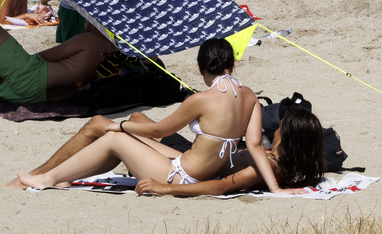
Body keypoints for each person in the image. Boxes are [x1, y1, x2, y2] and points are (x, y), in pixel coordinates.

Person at [14, 39, 279, 192]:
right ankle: (62, 176)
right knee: (120, 127)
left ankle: (45, 179)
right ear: (233, 64)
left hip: (182, 176)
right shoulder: (249, 96)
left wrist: (121, 125)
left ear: (200, 68)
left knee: (112, 138)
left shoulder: (201, 99)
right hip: (207, 172)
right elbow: (254, 146)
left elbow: (159, 131)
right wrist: (276, 189)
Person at [134, 107, 327, 197]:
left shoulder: (267, 166)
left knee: (123, 131)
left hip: (192, 165)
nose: (275, 129)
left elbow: (221, 187)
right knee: (137, 117)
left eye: (280, 126)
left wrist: (167, 188)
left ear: (285, 134)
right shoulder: (276, 159)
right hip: (200, 154)